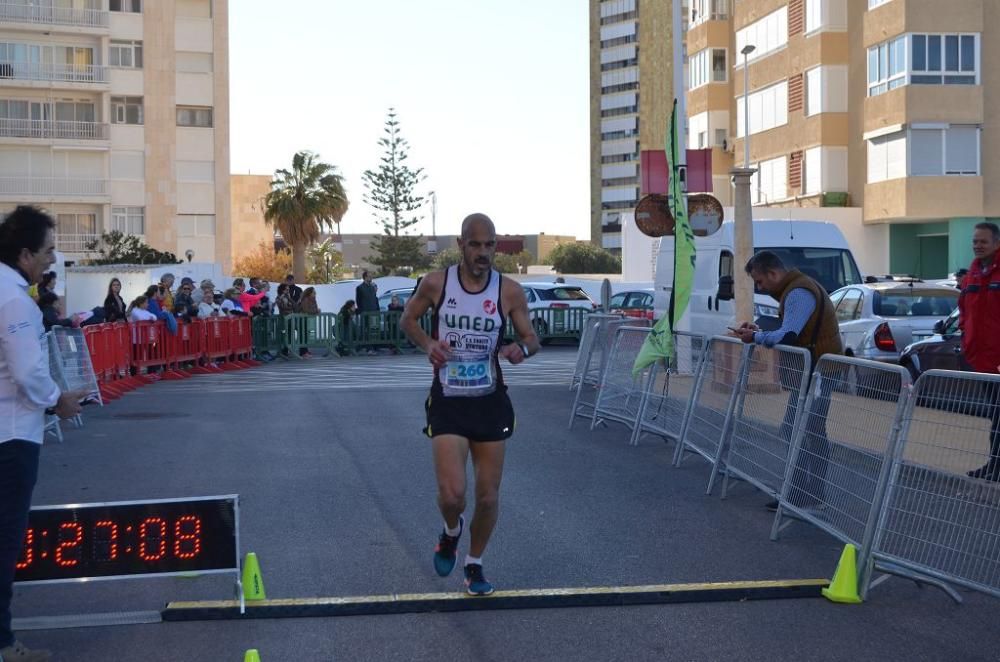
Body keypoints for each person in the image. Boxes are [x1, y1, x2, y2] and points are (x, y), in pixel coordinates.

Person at [400, 213, 540, 596]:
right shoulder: (436, 283)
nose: (482, 252)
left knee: (488, 495)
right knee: (452, 495)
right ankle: (451, 531)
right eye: (474, 244)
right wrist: (429, 345)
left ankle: (474, 564)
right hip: (448, 398)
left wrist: (519, 348)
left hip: (489, 400)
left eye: (489, 244)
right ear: (460, 245)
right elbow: (408, 320)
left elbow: (532, 338)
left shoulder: (508, 291)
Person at [0, 206, 85, 662]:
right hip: (11, 437)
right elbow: (28, 374)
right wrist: (59, 399)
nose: (53, 259)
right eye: (49, 251)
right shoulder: (13, 299)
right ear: (25, 252)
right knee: (5, 541)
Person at [731, 251, 843, 511]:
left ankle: (807, 496)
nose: (760, 287)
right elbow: (792, 330)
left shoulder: (798, 293)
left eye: (760, 281)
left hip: (818, 372)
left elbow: (789, 335)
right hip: (814, 371)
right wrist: (760, 332)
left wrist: (756, 338)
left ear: (773, 273)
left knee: (805, 430)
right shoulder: (796, 289)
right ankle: (800, 494)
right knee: (802, 430)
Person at [958, 222, 1000, 481]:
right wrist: (965, 336)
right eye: (975, 241)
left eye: (983, 241)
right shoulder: (972, 275)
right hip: (981, 358)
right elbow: (964, 311)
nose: (977, 245)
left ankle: (996, 468)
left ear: (996, 243)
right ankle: (994, 466)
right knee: (995, 415)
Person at [356, 271, 380, 355]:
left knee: (373, 330)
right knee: (365, 330)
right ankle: (365, 347)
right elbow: (358, 301)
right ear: (365, 277)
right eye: (369, 276)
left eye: (371, 276)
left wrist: (377, 310)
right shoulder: (360, 288)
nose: (371, 278)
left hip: (373, 312)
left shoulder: (373, 287)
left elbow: (375, 299)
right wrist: (361, 311)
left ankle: (372, 348)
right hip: (365, 312)